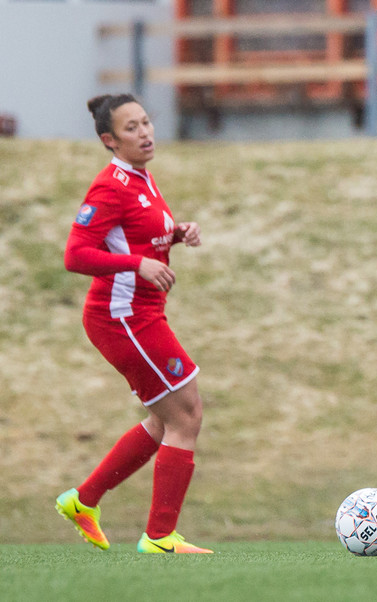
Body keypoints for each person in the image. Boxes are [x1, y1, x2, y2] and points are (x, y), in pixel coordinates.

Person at [55, 93, 212, 554]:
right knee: (187, 413)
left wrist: (177, 234)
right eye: (131, 128)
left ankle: (83, 501)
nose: (145, 133)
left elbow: (138, 236)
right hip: (121, 317)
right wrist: (136, 265)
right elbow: (75, 255)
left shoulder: (141, 177)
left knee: (166, 421)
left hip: (141, 314)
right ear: (109, 140)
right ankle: (159, 538)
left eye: (146, 122)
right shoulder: (110, 186)